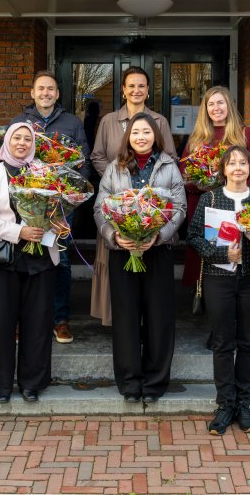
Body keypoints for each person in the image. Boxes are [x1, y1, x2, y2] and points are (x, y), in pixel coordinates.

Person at [93, 112, 186, 403]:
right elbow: (100, 208)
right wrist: (114, 236)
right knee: (126, 318)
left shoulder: (170, 166)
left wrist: (158, 236)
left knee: (159, 318)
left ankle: (155, 382)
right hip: (123, 252)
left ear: (155, 136)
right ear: (128, 137)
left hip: (158, 252)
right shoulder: (114, 168)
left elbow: (179, 208)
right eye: (135, 133)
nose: (141, 137)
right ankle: (130, 382)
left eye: (146, 132)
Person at [186, 146, 250, 436]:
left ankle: (243, 405)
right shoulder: (210, 198)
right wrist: (223, 255)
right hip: (217, 278)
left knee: (249, 342)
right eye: (232, 163)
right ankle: (225, 405)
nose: (237, 168)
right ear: (223, 170)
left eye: (242, 163)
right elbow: (193, 237)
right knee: (223, 343)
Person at [0, 122, 60, 403]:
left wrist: (56, 224)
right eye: (17, 138)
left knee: (37, 324)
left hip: (39, 257)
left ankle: (32, 383)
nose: (22, 143)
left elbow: (56, 212)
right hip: (3, 258)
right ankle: (0, 385)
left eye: (27, 139)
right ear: (8, 142)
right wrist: (20, 232)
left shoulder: (44, 173)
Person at [89, 66, 177, 326]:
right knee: (116, 255)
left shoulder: (159, 121)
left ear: (148, 91)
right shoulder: (108, 121)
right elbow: (97, 157)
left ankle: (147, 321)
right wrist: (120, 180)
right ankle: (117, 319)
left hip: (152, 205)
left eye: (141, 86)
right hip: (118, 206)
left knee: (150, 262)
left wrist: (149, 189)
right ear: (123, 90)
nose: (136, 90)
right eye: (131, 86)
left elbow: (169, 157)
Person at [10, 70, 89, 345]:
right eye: (40, 89)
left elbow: (83, 163)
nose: (46, 93)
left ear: (57, 94)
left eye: (51, 89)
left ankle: (60, 320)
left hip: (60, 207)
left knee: (61, 262)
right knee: (24, 262)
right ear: (32, 93)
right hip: (27, 207)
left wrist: (72, 199)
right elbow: (9, 161)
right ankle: (24, 318)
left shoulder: (72, 123)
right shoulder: (20, 122)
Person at [181, 86, 250, 288]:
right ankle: (203, 294)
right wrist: (200, 187)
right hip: (203, 205)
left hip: (239, 207)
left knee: (236, 253)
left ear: (229, 105)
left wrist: (239, 193)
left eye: (220, 102)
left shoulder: (245, 134)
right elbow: (184, 173)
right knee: (204, 251)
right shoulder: (196, 138)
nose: (216, 108)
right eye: (210, 104)